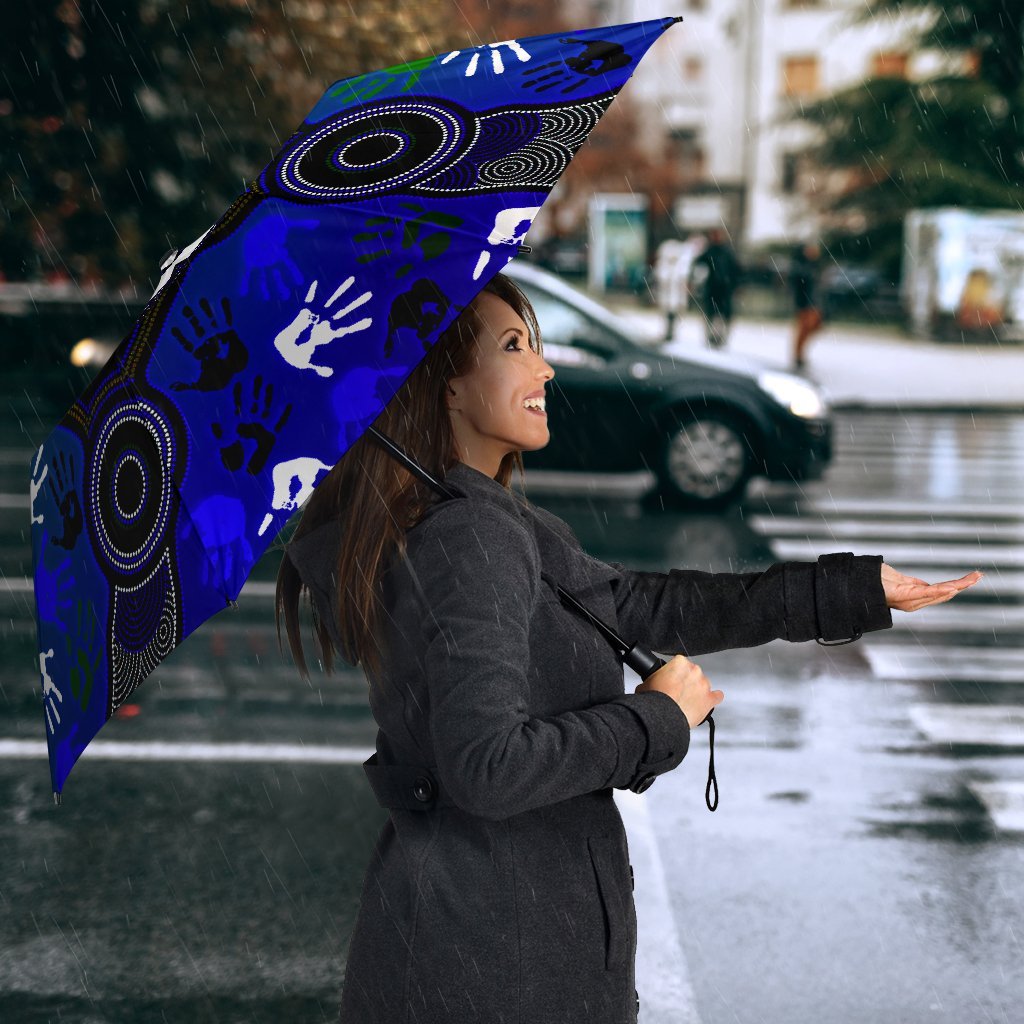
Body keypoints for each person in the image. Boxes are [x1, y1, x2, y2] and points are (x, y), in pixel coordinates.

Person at [276, 272, 981, 1024]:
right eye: (515, 346)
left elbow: (644, 605)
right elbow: (487, 767)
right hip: (496, 963)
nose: (544, 368)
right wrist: (654, 719)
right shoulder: (469, 537)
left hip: (480, 944)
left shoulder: (481, 521)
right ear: (445, 387)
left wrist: (848, 590)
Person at [691, 227, 742, 349]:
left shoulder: (727, 252)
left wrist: (736, 285)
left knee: (722, 314)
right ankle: (711, 336)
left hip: (724, 289)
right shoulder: (710, 251)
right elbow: (698, 264)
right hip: (713, 288)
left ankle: (720, 337)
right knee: (711, 313)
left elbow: (736, 270)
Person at [790, 240, 824, 370]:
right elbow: (799, 285)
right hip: (805, 302)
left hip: (814, 302)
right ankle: (798, 355)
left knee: (814, 326)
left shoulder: (814, 266)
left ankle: (800, 354)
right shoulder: (800, 266)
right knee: (804, 329)